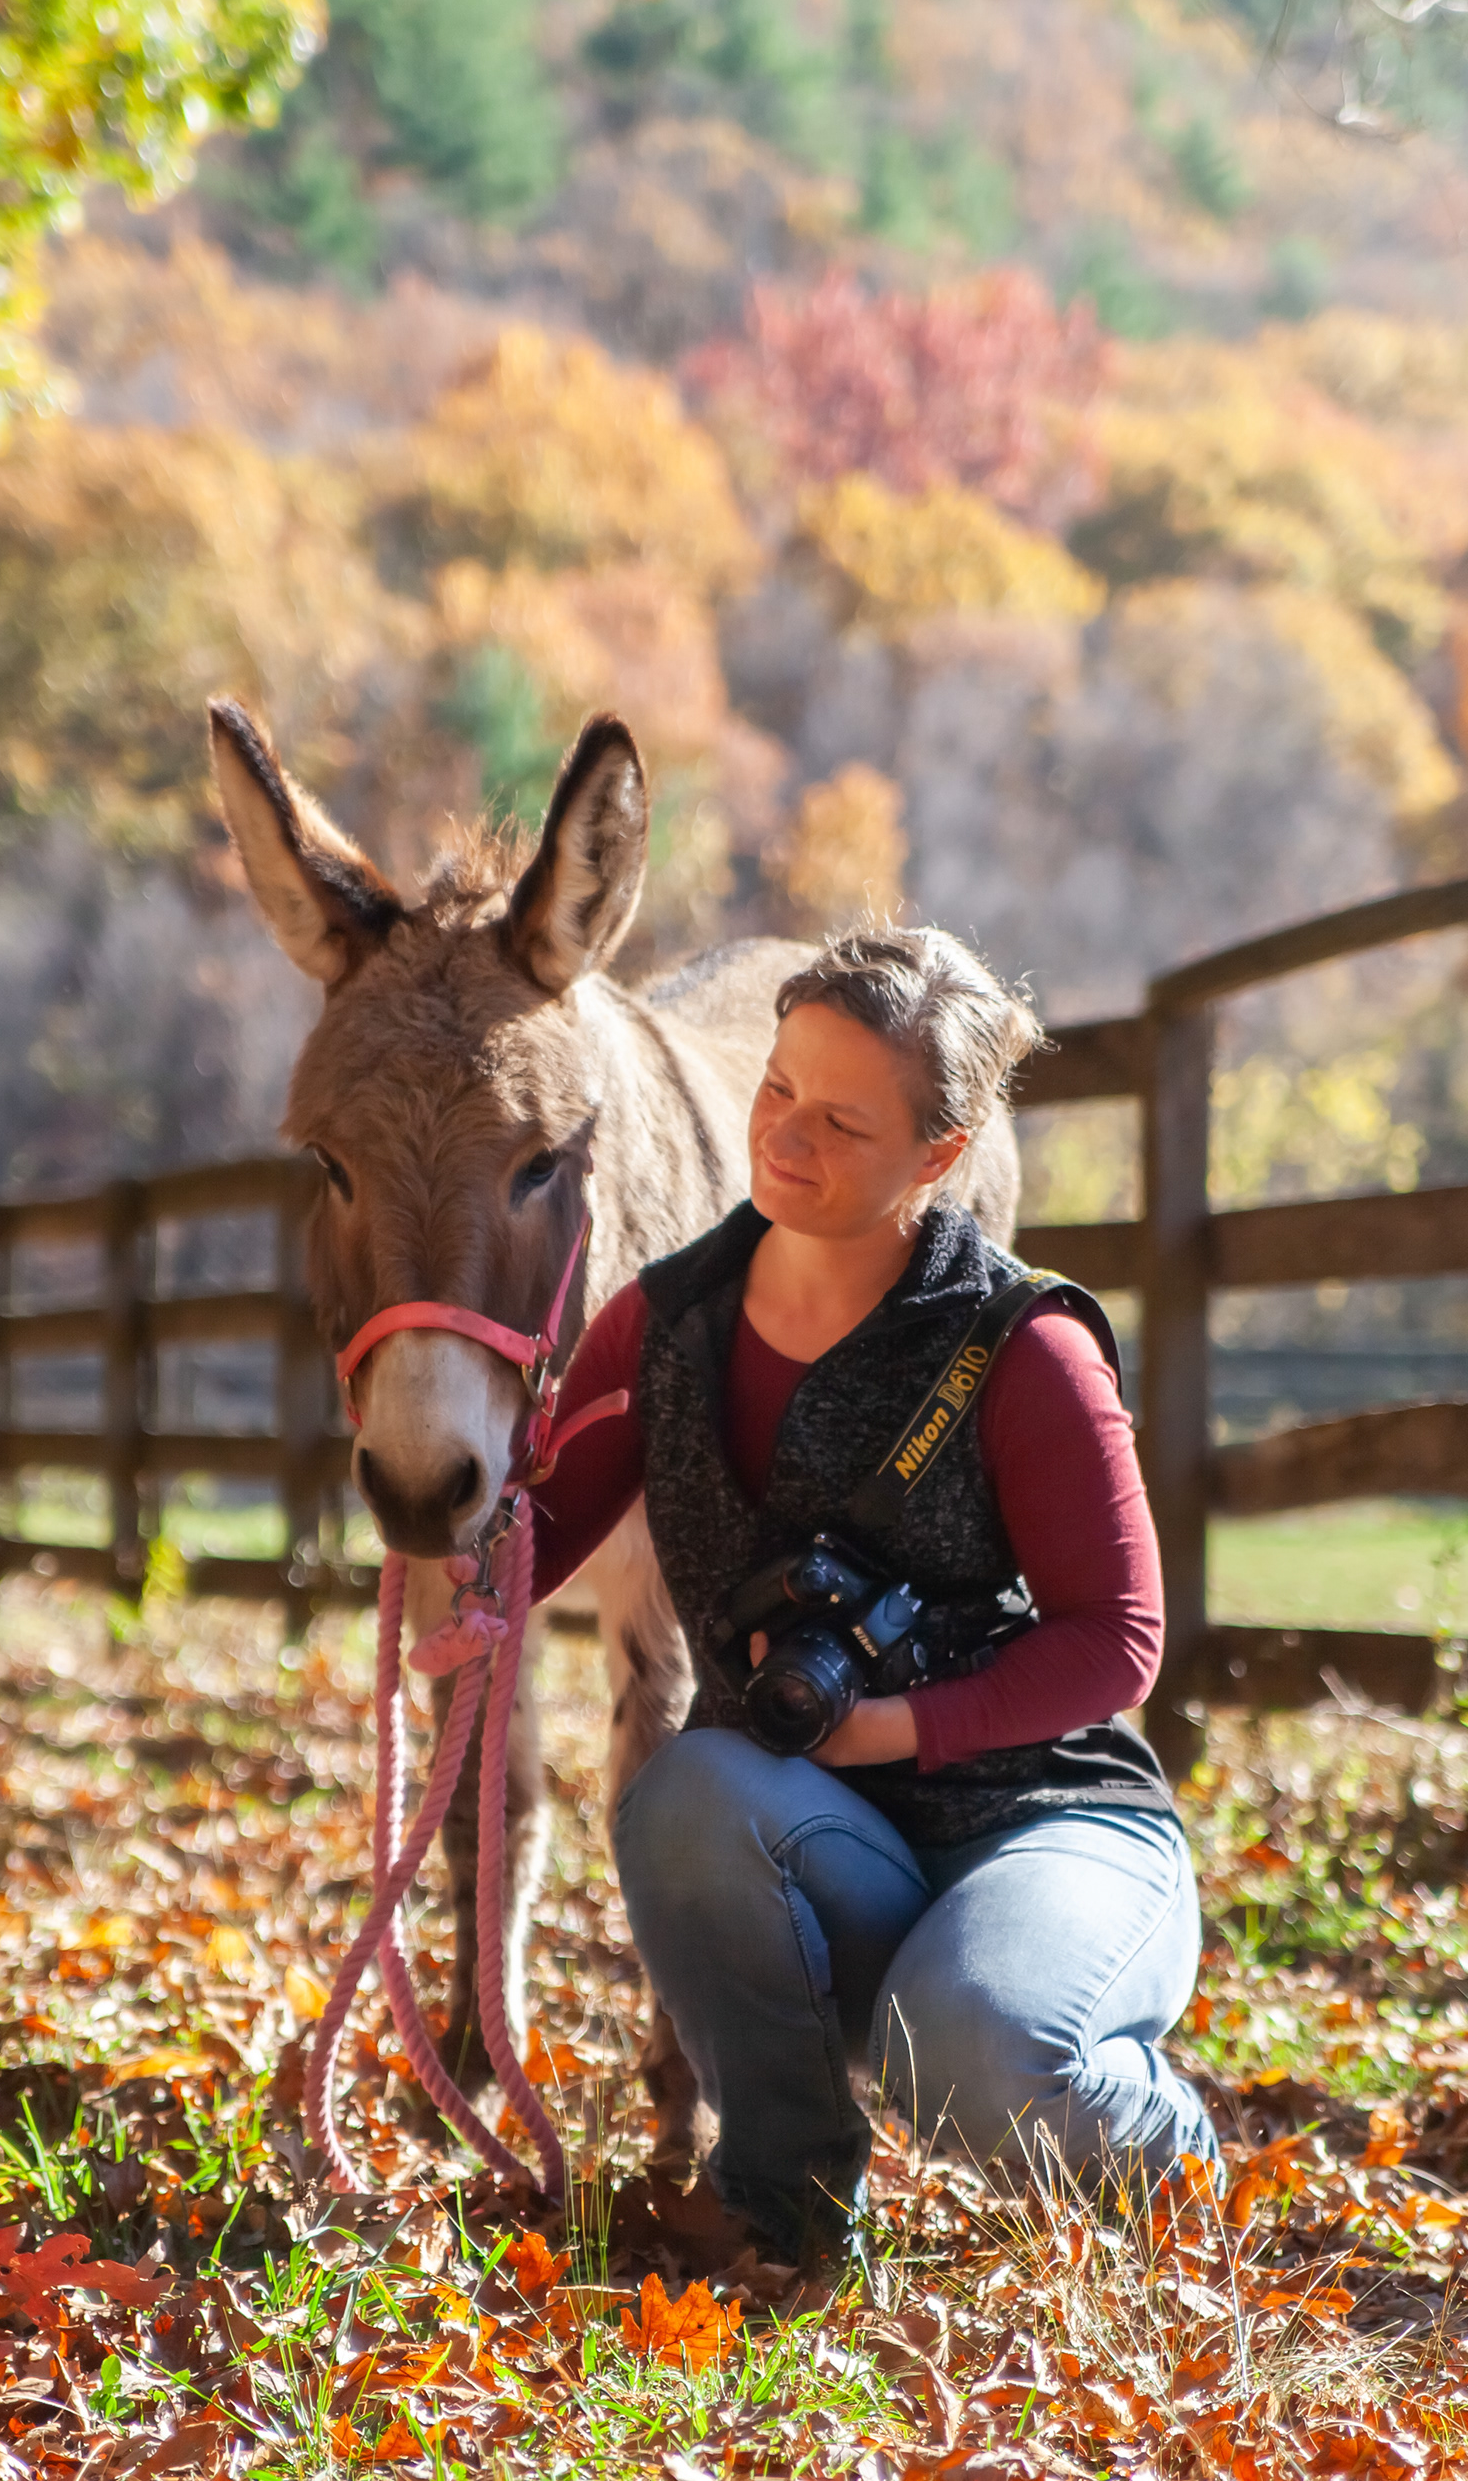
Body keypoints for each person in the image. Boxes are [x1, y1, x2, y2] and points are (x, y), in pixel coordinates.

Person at [523, 924, 1216, 2266]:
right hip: (833, 1840)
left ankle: (1167, 2152)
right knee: (685, 1792)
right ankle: (782, 2199)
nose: (784, 1136)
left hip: (1044, 1824)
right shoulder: (664, 1325)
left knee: (969, 2049)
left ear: (941, 1158)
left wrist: (897, 1728)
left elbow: (1120, 1642)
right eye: (778, 1087)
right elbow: (530, 1544)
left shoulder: (1022, 1343)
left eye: (842, 1121)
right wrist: (449, 1530)